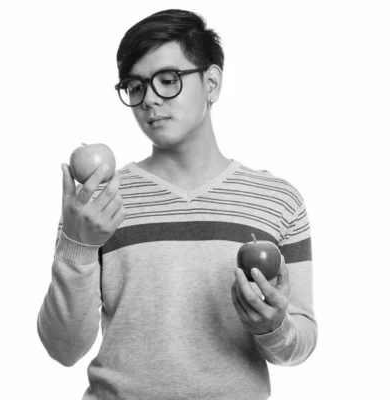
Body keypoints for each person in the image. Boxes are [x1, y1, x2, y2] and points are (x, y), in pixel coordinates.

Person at [37, 9, 317, 400]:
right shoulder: (100, 201)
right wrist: (77, 245)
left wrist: (274, 326)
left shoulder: (277, 199)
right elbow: (62, 348)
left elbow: (300, 343)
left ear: (212, 83)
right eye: (135, 86)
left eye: (168, 80)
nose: (149, 99)